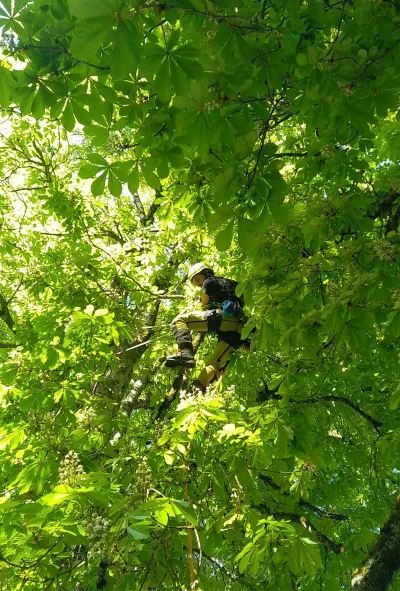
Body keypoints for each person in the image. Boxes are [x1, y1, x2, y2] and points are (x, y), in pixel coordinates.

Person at [165, 263, 246, 390]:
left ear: (206, 273)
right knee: (215, 363)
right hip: (239, 329)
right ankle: (199, 387)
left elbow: (204, 304)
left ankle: (185, 351)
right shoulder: (234, 284)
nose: (198, 284)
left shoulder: (209, 282)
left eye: (197, 279)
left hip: (222, 319)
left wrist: (199, 303)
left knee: (179, 321)